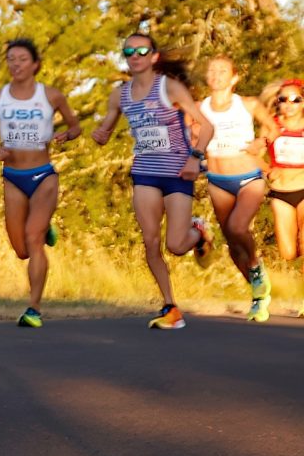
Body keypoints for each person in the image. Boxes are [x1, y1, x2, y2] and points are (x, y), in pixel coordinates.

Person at [90, 32, 211, 331]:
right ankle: (171, 307)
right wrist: (101, 134)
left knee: (176, 245)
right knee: (150, 241)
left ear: (154, 56)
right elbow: (106, 128)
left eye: (142, 50)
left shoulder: (169, 87)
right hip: (145, 172)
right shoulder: (119, 95)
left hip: (177, 174)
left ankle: (199, 232)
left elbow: (207, 127)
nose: (135, 55)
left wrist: (195, 158)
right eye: (129, 51)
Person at [0, 38, 80, 328]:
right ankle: (44, 229)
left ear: (35, 64)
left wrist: (65, 135)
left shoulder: (51, 95)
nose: (16, 64)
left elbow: (75, 126)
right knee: (21, 250)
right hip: (13, 176)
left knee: (32, 238)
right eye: (11, 59)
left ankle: (34, 308)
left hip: (43, 174)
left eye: (22, 59)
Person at [196, 57, 274, 321]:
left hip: (249, 176)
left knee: (239, 228)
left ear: (234, 78)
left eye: (223, 71)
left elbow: (273, 129)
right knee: (231, 243)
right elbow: (184, 135)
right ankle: (258, 297)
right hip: (217, 179)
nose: (216, 74)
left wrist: (261, 142)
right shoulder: (198, 108)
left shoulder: (248, 104)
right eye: (212, 70)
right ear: (207, 76)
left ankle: (255, 266)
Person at [267, 80, 304, 268]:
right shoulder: (272, 126)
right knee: (288, 254)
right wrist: (267, 171)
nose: (289, 105)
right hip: (280, 193)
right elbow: (252, 153)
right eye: (283, 99)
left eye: (295, 99)